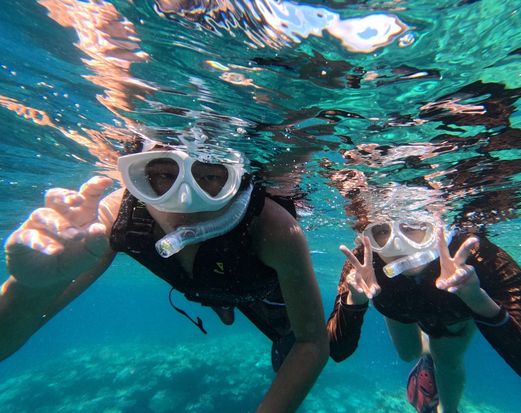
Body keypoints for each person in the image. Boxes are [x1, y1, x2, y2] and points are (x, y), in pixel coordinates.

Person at [1, 142, 329, 413]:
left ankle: (225, 304)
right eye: (162, 175)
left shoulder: (275, 228)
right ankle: (221, 304)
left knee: (291, 344)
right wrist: (31, 289)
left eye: (211, 177)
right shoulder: (116, 215)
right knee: (213, 289)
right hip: (207, 283)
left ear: (237, 179)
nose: (184, 202)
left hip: (258, 289)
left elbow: (312, 342)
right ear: (138, 175)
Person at [326, 182, 521, 413]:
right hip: (397, 305)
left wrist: (478, 301)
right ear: (367, 236)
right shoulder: (363, 264)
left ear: (436, 224)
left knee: (446, 360)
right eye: (382, 231)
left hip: (451, 311)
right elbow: (337, 351)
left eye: (412, 225)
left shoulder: (479, 257)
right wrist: (354, 303)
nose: (397, 244)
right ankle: (426, 353)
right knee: (408, 354)